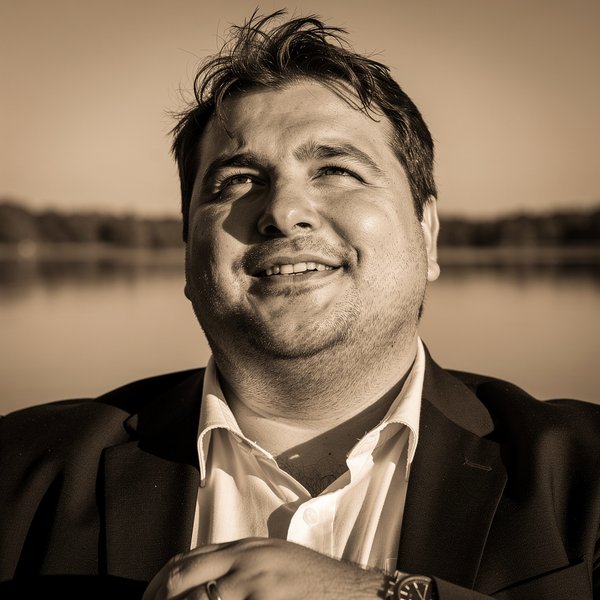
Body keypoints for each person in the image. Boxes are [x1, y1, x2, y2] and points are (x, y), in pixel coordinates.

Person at [0, 10, 598, 600]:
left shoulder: (587, 470)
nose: (283, 212)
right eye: (238, 181)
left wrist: (378, 596)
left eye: (335, 169)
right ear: (188, 247)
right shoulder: (18, 470)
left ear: (428, 232)